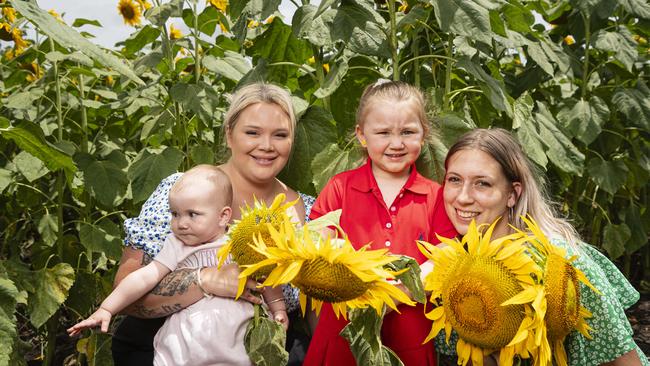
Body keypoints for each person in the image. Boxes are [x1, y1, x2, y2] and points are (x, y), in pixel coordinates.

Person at [109, 83, 315, 365]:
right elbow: (126, 292)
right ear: (229, 135)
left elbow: (315, 309)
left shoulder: (308, 211)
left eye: (280, 135)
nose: (266, 146)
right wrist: (206, 280)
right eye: (252, 132)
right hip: (169, 350)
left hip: (264, 352)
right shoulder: (184, 193)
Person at [440, 127, 648, 366]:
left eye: (482, 184)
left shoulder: (561, 265)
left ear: (512, 194)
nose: (463, 197)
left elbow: (625, 362)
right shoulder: (458, 267)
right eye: (454, 180)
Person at [303, 80, 457, 366]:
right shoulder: (340, 187)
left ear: (423, 135)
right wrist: (333, 256)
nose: (396, 143)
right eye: (383, 132)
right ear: (362, 135)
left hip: (408, 337)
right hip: (342, 332)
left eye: (408, 132)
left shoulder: (435, 196)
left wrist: (391, 296)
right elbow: (316, 239)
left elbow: (442, 259)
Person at [68, 165, 288, 365]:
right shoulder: (176, 246)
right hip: (186, 340)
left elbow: (264, 275)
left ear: (223, 216)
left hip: (235, 338)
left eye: (193, 214)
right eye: (175, 214)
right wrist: (107, 308)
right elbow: (145, 277)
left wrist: (278, 308)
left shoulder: (239, 242)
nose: (181, 224)